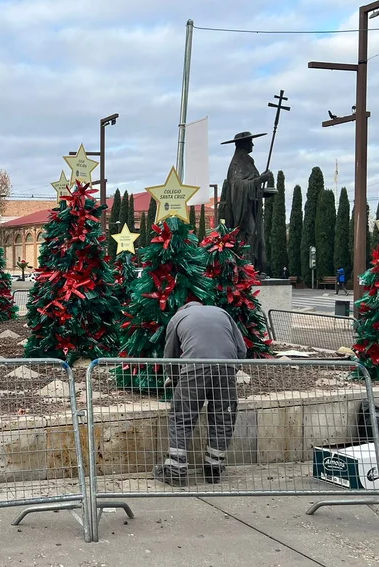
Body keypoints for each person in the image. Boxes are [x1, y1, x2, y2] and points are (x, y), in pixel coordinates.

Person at [153, 300, 247, 486]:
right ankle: (213, 470)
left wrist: (175, 379)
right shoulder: (222, 312)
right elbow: (241, 349)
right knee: (223, 417)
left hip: (194, 369)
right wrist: (231, 370)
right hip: (226, 368)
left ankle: (175, 472)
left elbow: (170, 356)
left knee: (182, 418)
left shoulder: (177, 318)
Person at [222, 131, 277, 275]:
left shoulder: (248, 162)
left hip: (252, 207)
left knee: (257, 235)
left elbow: (250, 185)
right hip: (242, 212)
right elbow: (238, 186)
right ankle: (245, 268)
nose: (252, 144)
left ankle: (254, 268)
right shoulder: (236, 164)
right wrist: (260, 180)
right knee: (249, 234)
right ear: (243, 144)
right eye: (250, 141)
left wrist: (262, 189)